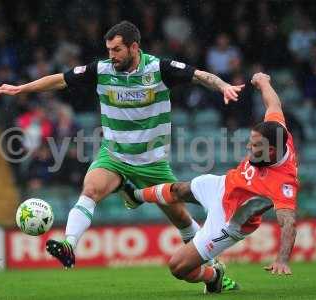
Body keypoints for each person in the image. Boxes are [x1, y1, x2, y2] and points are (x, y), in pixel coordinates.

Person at [0, 21, 244, 285]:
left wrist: (223, 86)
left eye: (117, 50)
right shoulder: (101, 70)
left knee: (181, 218)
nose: (111, 55)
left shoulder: (158, 69)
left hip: (152, 162)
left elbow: (199, 75)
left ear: (134, 47)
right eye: (109, 49)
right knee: (90, 190)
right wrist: (21, 89)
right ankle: (69, 244)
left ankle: (214, 274)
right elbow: (61, 80)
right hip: (114, 155)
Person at [126, 73, 298, 294]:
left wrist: (282, 259)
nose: (248, 148)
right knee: (178, 189)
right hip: (223, 185)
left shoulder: (284, 182)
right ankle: (135, 196)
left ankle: (214, 276)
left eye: (254, 146)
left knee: (178, 267)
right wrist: (265, 82)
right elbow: (273, 103)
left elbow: (289, 224)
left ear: (271, 151)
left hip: (229, 220)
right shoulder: (277, 131)